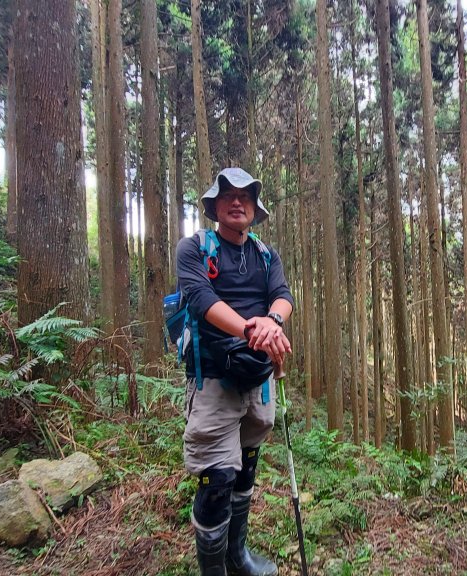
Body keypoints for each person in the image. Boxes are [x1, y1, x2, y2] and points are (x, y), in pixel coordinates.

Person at [176, 167, 294, 576]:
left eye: (245, 195)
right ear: (215, 205)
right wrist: (250, 326)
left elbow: (282, 297)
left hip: (258, 380)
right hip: (213, 379)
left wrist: (271, 322)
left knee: (246, 464)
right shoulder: (194, 249)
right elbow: (200, 298)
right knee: (218, 476)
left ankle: (236, 555)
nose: (237, 200)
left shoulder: (265, 255)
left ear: (254, 207)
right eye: (228, 194)